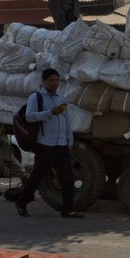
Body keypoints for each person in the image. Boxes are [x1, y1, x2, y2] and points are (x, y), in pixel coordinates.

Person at [15, 68, 81, 218]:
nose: (54, 83)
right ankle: (22, 202)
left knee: (67, 177)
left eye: (57, 80)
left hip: (61, 145)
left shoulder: (60, 100)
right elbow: (30, 116)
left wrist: (69, 141)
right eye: (51, 80)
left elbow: (66, 123)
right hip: (45, 144)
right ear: (44, 81)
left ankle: (68, 209)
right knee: (37, 176)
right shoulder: (36, 97)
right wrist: (49, 113)